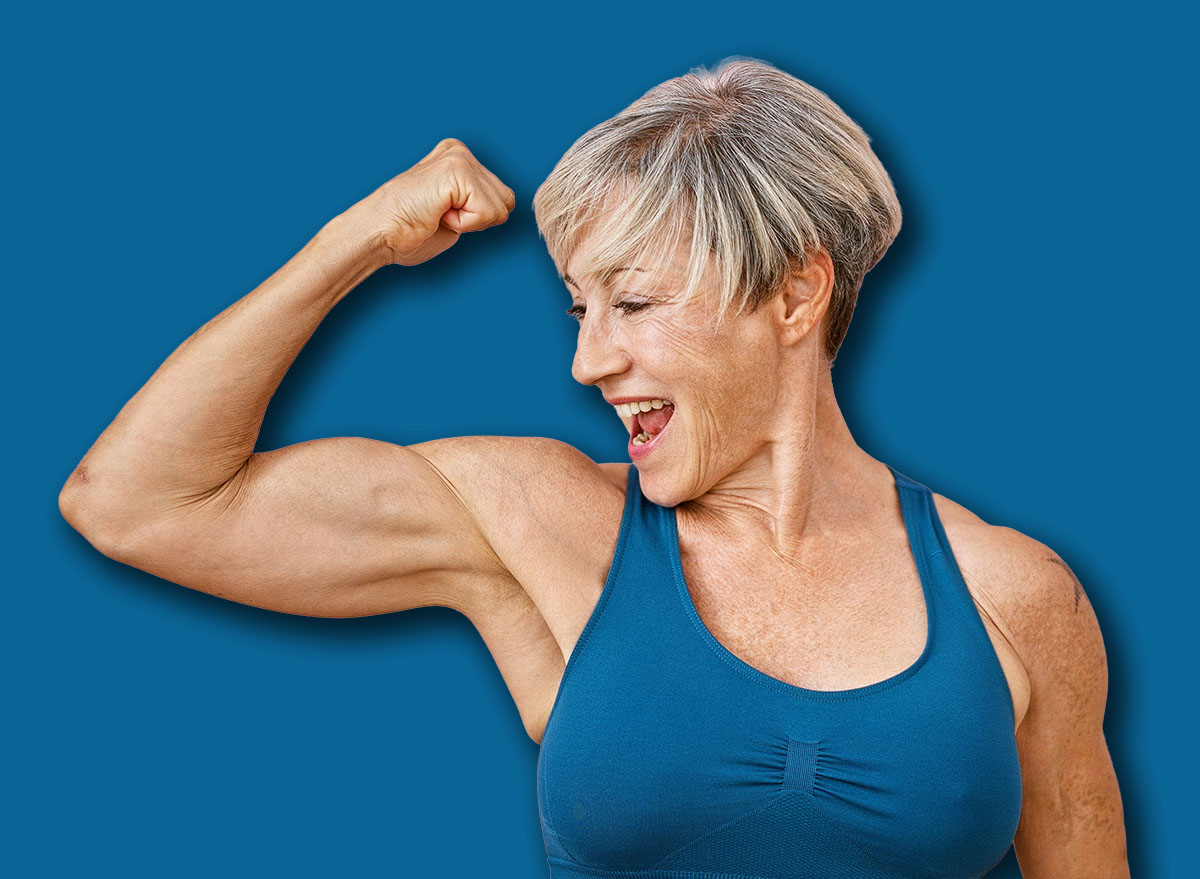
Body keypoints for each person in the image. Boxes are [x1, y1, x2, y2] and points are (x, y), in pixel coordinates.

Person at [58, 58, 1129, 878]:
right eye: (579, 307)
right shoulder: (538, 516)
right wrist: (360, 238)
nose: (587, 360)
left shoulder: (1017, 596)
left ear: (796, 298)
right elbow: (137, 503)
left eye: (637, 303)